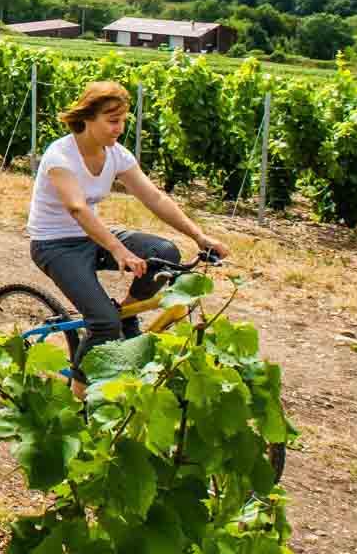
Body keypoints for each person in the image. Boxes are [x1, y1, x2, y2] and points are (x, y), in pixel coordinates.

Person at [27, 80, 231, 390]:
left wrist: (200, 237)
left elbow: (154, 198)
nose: (119, 128)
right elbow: (78, 209)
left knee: (165, 252)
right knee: (103, 324)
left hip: (90, 237)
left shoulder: (116, 155)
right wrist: (119, 250)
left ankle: (125, 314)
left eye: (123, 120)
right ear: (88, 118)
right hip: (54, 245)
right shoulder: (61, 156)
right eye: (112, 120)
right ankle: (78, 399)